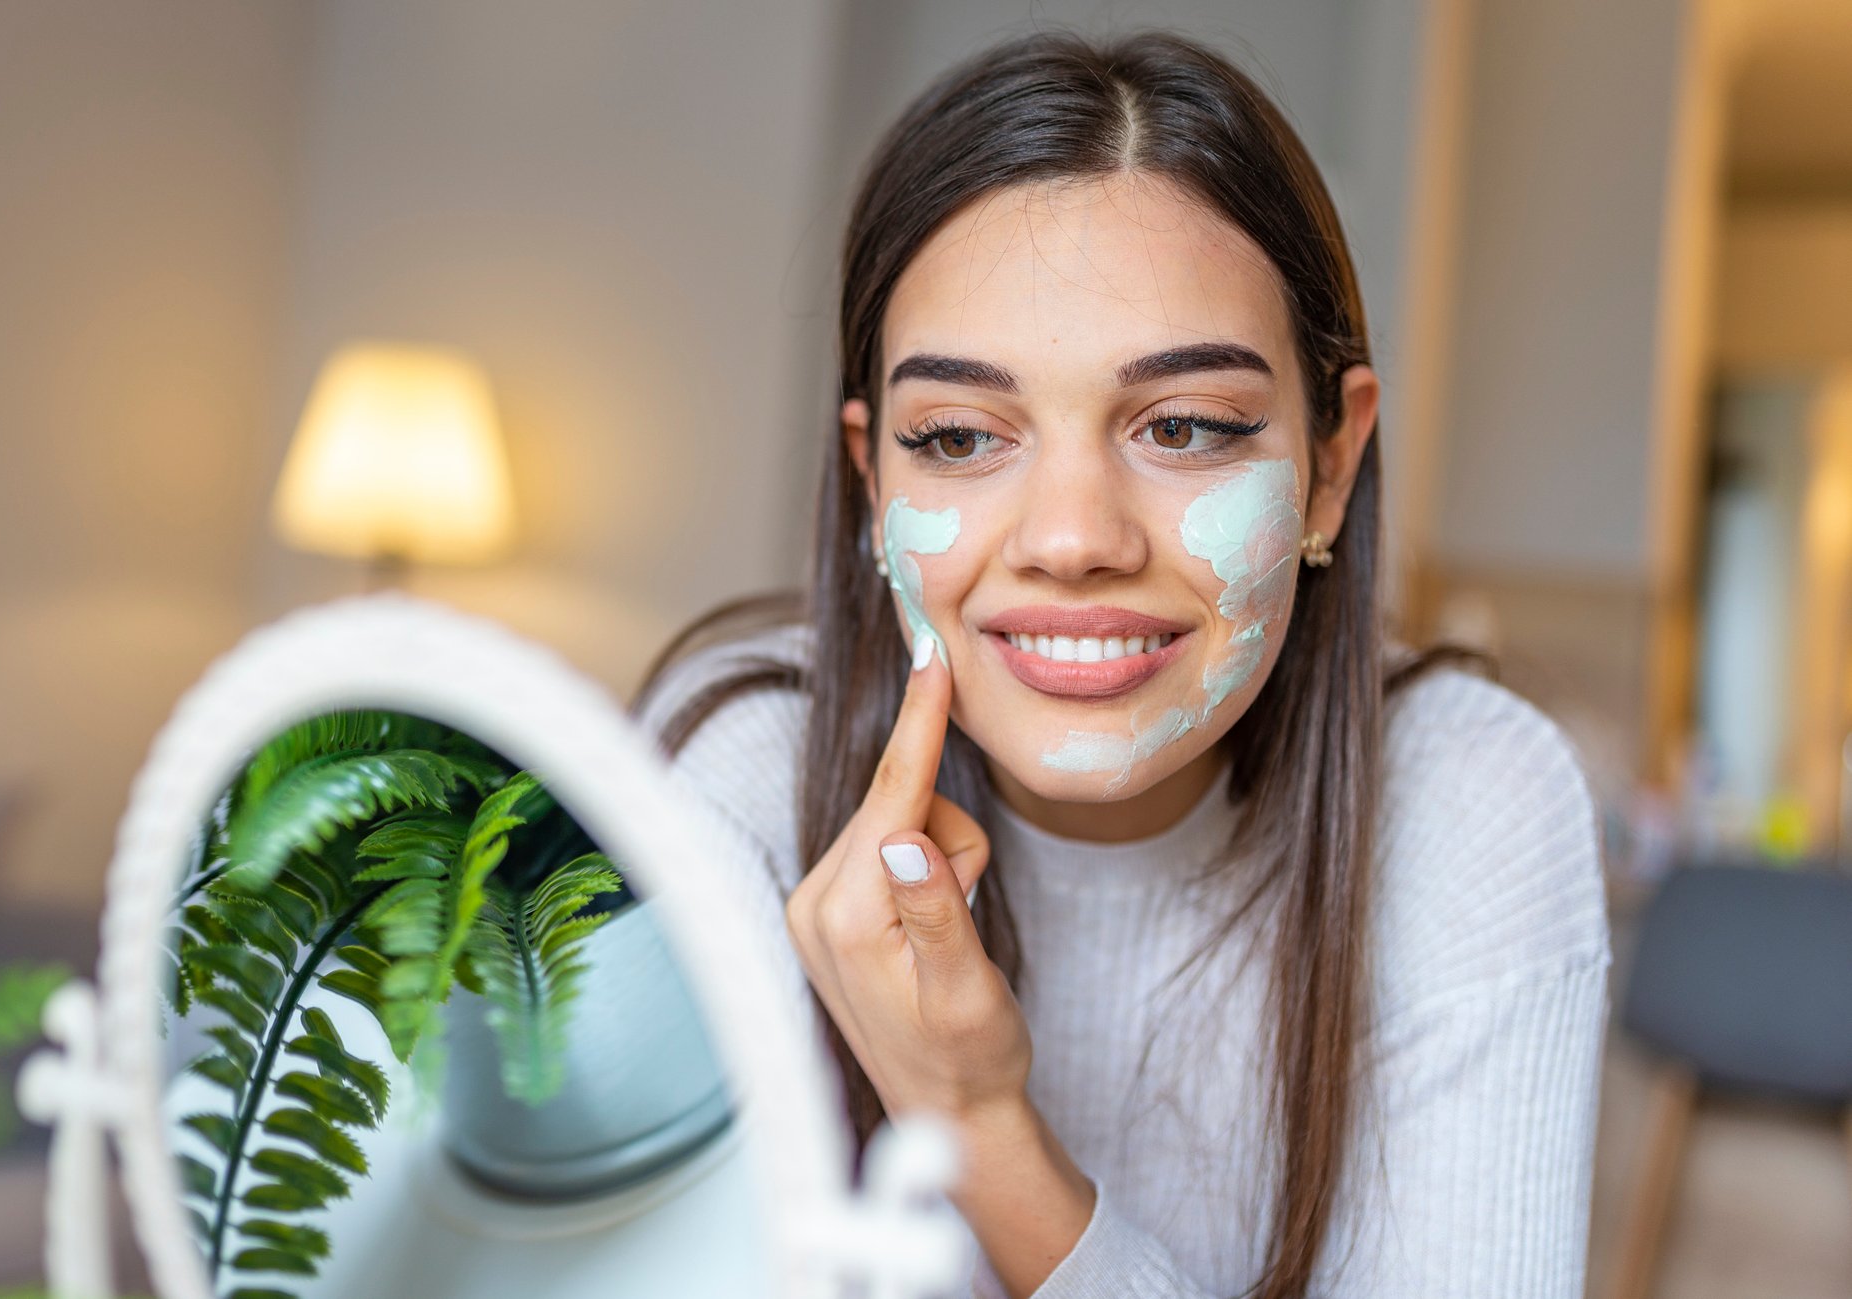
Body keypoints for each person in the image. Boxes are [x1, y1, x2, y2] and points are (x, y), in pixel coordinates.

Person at [631, 29, 1611, 1299]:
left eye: (1185, 427)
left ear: (1328, 464)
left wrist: (978, 1130)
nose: (1072, 540)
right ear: (874, 478)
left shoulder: (1469, 798)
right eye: (961, 436)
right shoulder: (739, 765)